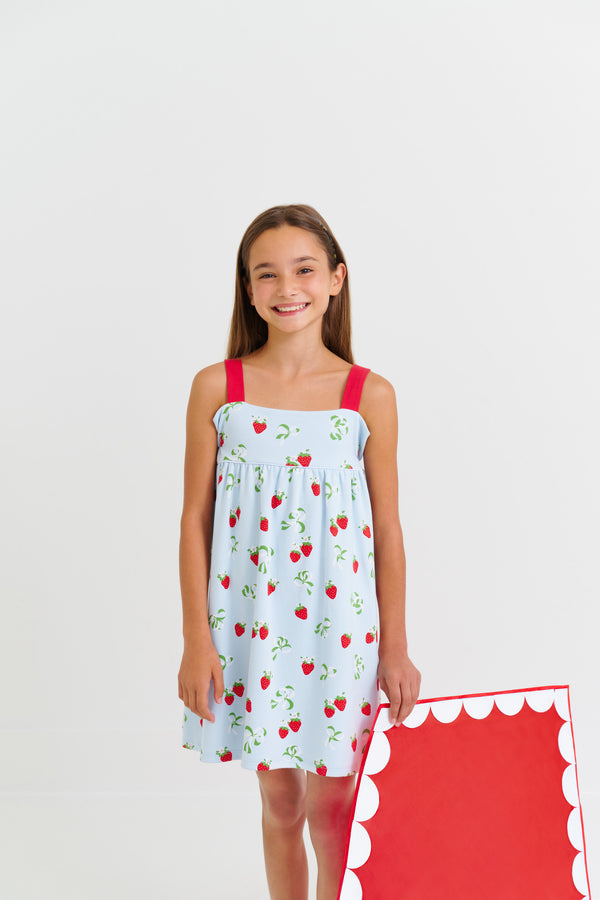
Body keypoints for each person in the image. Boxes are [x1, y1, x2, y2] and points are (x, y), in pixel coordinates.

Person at [177, 204, 421, 900]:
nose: (288, 288)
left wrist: (397, 648)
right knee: (281, 802)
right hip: (251, 626)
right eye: (267, 274)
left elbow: (388, 530)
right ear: (248, 289)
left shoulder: (367, 395)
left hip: (341, 629)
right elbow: (194, 520)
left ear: (337, 279)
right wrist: (197, 641)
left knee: (335, 809)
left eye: (305, 269)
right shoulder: (218, 388)